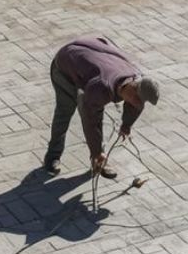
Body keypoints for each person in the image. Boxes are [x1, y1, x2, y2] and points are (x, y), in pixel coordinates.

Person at [43, 36, 160, 179]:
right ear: (131, 88)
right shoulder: (101, 86)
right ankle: (53, 156)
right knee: (65, 111)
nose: (138, 103)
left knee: (96, 111)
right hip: (66, 65)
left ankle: (99, 161)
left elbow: (136, 105)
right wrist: (96, 151)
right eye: (136, 99)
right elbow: (91, 121)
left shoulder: (137, 79)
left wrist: (126, 125)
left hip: (93, 58)